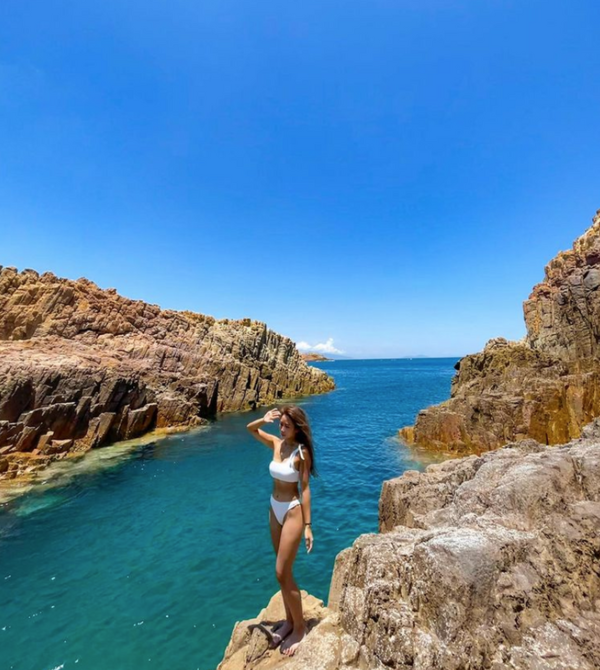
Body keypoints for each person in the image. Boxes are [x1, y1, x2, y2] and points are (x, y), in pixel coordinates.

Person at [246, 405, 315, 656]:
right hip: (274, 508)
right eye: (280, 424)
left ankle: (300, 628)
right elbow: (250, 429)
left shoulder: (301, 452)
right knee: (281, 571)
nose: (281, 428)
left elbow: (305, 489)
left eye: (286, 425)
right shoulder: (276, 444)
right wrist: (263, 419)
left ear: (297, 427)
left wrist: (308, 526)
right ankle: (288, 620)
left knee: (281, 571)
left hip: (292, 511)